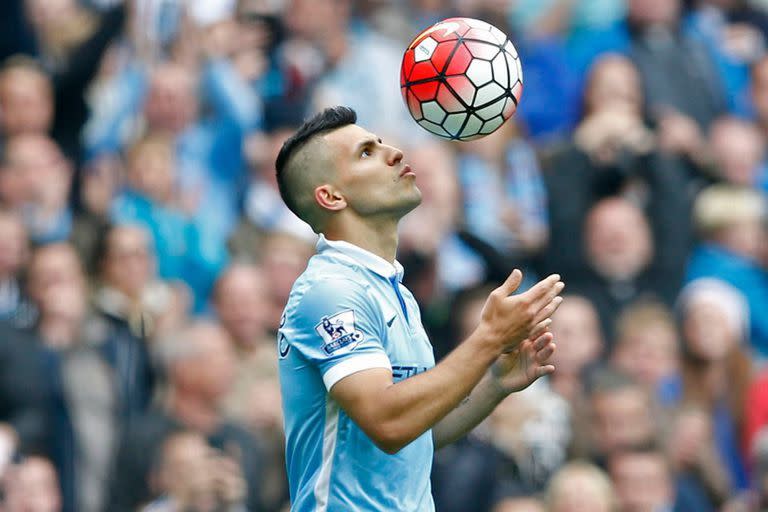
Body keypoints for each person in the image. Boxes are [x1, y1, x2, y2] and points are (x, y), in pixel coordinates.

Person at [275, 106, 564, 510]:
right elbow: (388, 422)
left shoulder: (392, 289)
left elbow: (416, 431)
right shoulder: (330, 291)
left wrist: (495, 384)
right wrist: (488, 338)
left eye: (382, 143)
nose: (393, 152)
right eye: (366, 153)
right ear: (331, 195)